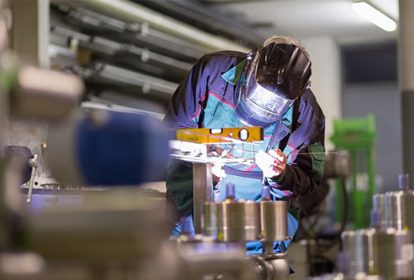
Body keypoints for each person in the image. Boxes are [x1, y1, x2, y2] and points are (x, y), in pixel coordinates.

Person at [164, 35, 327, 254]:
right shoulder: (212, 73)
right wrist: (203, 163)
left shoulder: (308, 117)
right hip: (191, 224)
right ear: (252, 65)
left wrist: (281, 174)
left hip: (260, 240)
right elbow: (170, 137)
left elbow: (312, 191)